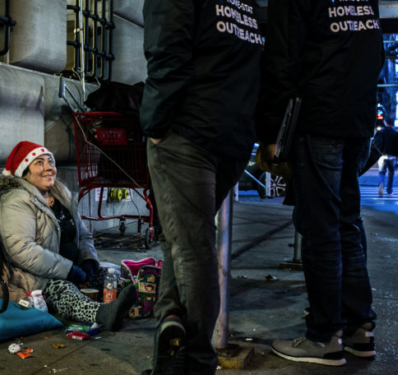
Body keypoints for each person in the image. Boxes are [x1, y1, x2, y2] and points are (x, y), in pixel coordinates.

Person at [256, 0, 384, 366]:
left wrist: (269, 132)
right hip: (356, 121)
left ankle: (324, 336)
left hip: (318, 120)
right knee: (346, 224)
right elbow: (372, 54)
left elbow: (281, 58)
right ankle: (360, 329)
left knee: (321, 230)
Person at [139, 1, 263, 374]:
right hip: (233, 135)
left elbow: (167, 50)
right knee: (180, 236)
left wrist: (155, 124)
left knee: (191, 247)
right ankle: (172, 329)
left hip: (189, 131)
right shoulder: (247, 5)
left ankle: (194, 362)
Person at [0, 141, 136, 331]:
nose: (48, 168)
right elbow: (22, 249)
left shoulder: (61, 195)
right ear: (24, 172)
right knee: (64, 291)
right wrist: (69, 271)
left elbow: (83, 234)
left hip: (73, 270)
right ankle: (103, 314)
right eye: (39, 163)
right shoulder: (16, 201)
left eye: (50, 162)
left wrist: (88, 262)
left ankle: (139, 302)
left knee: (114, 274)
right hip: (36, 278)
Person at [374, 118, 398, 196]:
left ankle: (381, 183)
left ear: (386, 123)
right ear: (393, 124)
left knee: (381, 171)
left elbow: (376, 142)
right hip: (392, 156)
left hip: (382, 155)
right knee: (391, 172)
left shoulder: (381, 132)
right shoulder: (395, 133)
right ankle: (389, 190)